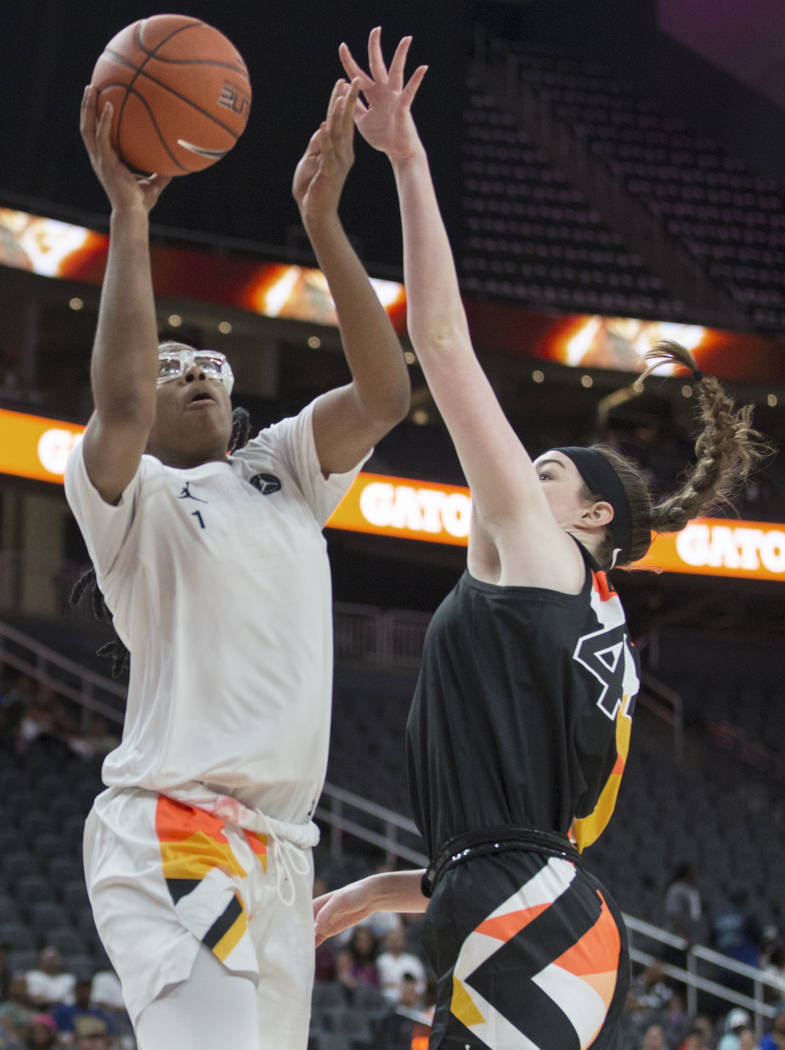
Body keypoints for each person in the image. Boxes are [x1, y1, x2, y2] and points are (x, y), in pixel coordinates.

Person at [312, 27, 769, 1050]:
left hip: (527, 914)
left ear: (590, 517)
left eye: (545, 471)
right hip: (533, 907)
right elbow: (506, 836)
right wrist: (361, 896)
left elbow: (437, 340)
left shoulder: (540, 556)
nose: (519, 479)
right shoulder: (578, 609)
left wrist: (409, 159)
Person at [64, 72, 410, 1050]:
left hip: (282, 856)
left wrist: (324, 219)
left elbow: (383, 395)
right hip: (174, 826)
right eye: (167, 362)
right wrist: (129, 214)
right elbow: (122, 405)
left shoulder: (283, 471)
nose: (189, 370)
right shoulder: (125, 499)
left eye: (204, 360)